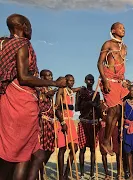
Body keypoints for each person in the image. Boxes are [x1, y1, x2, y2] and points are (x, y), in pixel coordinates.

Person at [0, 14, 66, 179]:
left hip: (7, 99)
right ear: (23, 25)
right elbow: (23, 77)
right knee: (23, 155)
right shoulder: (22, 45)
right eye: (29, 25)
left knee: (9, 152)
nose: (31, 29)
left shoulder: (2, 44)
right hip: (21, 102)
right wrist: (55, 84)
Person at [97, 22, 130, 155]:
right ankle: (105, 140)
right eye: (120, 27)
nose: (123, 29)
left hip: (118, 82)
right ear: (113, 30)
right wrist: (104, 80)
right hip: (108, 80)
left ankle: (107, 140)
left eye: (124, 27)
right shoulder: (108, 44)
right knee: (113, 108)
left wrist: (123, 81)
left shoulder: (125, 47)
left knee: (118, 111)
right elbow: (99, 63)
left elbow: (121, 67)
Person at [75, 74, 101, 179]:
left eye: (92, 80)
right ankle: (81, 173)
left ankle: (92, 173)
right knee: (82, 149)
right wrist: (87, 103)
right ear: (85, 81)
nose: (90, 81)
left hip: (94, 123)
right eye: (88, 80)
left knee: (93, 150)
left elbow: (99, 111)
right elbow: (77, 108)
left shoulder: (97, 94)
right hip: (84, 122)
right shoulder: (80, 93)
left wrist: (96, 106)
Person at [55, 74, 80, 179]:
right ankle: (61, 176)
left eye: (73, 80)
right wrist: (62, 122)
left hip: (71, 122)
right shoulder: (61, 90)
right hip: (63, 121)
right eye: (69, 80)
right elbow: (56, 108)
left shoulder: (70, 91)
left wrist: (81, 88)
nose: (72, 82)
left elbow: (74, 89)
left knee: (75, 148)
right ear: (65, 81)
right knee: (62, 149)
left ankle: (66, 174)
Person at [37, 69, 58, 180]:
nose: (50, 78)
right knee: (41, 149)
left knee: (50, 149)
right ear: (42, 77)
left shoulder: (50, 89)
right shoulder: (39, 88)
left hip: (50, 122)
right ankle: (39, 172)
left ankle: (40, 167)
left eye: (51, 75)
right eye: (48, 76)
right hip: (42, 122)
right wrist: (45, 94)